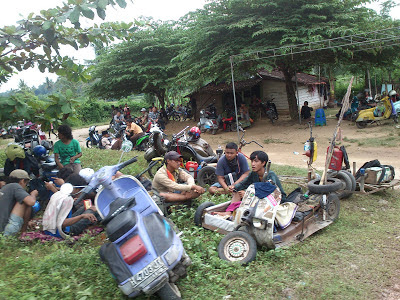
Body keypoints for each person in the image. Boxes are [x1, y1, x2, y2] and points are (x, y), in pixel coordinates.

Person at [214, 151, 286, 216]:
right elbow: (243, 184)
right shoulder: (253, 173)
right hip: (259, 199)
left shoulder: (270, 175)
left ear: (263, 163)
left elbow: (270, 192)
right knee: (237, 192)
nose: (253, 164)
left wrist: (248, 194)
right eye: (252, 161)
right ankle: (229, 212)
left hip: (275, 200)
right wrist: (234, 187)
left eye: (256, 161)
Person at [42, 174, 99, 238]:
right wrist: (82, 216)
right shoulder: (67, 199)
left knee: (86, 208)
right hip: (60, 231)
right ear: (76, 189)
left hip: (49, 228)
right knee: (91, 211)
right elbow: (62, 223)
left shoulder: (58, 194)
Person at [0, 170, 38, 236]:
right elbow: (31, 202)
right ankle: (23, 233)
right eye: (26, 183)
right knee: (25, 201)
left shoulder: (5, 188)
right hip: (6, 230)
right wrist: (33, 194)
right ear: (22, 181)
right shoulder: (15, 186)